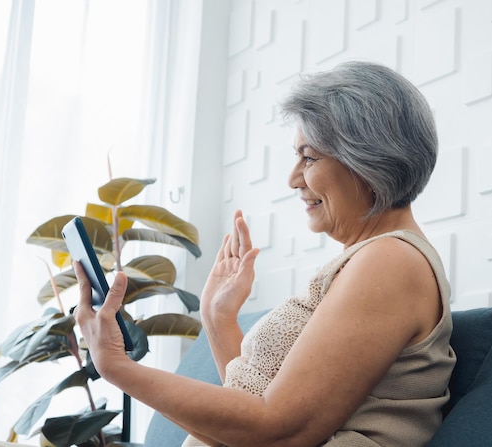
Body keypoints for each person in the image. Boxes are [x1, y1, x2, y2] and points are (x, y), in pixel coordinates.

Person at [74, 60, 456, 447]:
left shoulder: (390, 261)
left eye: (308, 157)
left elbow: (280, 431)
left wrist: (117, 367)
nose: (293, 179)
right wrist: (218, 318)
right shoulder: (371, 259)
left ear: (368, 160)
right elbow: (254, 412)